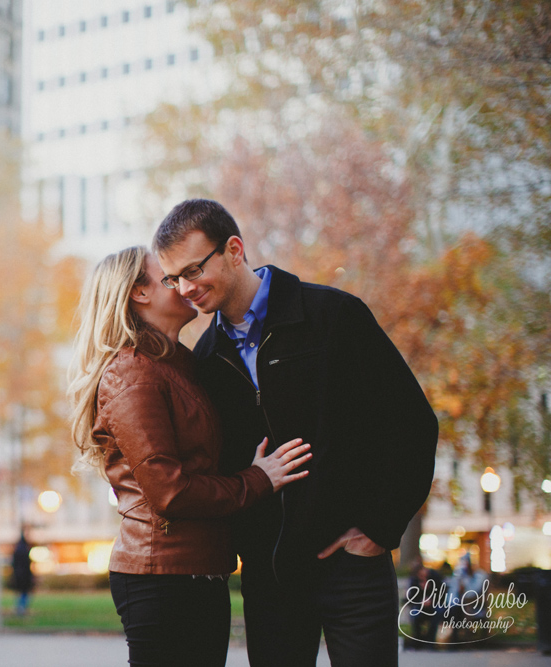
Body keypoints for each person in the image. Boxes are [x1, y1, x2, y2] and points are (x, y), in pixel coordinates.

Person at [153, 199, 439, 667]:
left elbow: (410, 423)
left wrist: (377, 529)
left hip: (352, 564)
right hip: (271, 579)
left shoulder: (332, 316)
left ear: (234, 250)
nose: (185, 289)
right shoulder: (204, 360)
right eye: (173, 278)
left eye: (193, 270)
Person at [67, 245, 312, 666]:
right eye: (168, 279)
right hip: (161, 575)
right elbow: (170, 491)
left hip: (196, 571)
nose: (183, 286)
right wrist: (259, 479)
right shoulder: (132, 372)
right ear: (138, 294)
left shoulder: (178, 363)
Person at [10, 530, 35, 616]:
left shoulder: (17, 549)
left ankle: (20, 608)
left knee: (20, 594)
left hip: (18, 575)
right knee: (24, 593)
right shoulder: (25, 549)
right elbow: (27, 565)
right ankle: (21, 609)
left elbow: (13, 563)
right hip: (24, 576)